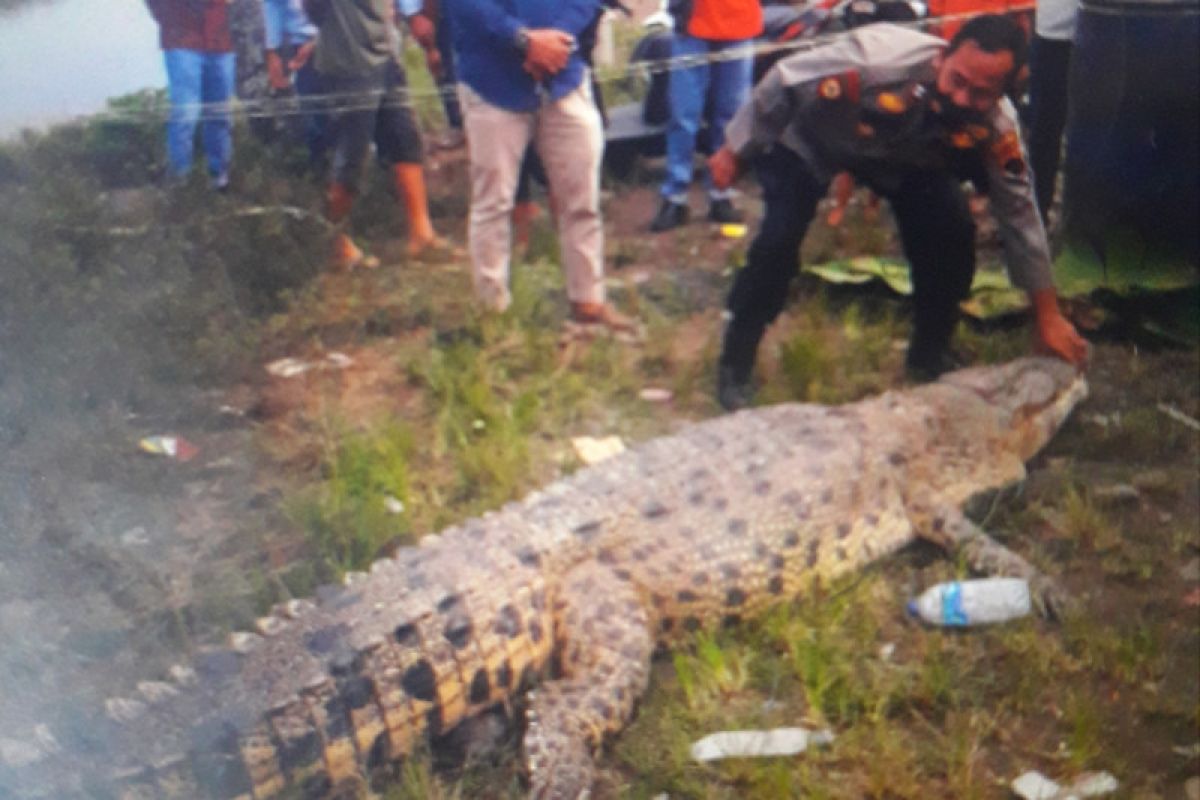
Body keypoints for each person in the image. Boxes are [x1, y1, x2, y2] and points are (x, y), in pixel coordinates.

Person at [708, 14, 1089, 410]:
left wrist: (1047, 315)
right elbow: (783, 79)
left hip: (907, 162)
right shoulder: (874, 62)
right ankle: (736, 362)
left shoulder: (997, 127)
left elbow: (1021, 216)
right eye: (957, 81)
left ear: (1004, 93)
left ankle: (929, 353)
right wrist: (736, 148)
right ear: (942, 58)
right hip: (815, 141)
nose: (962, 100)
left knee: (953, 232)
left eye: (980, 94)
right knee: (778, 240)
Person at [445, 0, 635, 331]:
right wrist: (523, 41)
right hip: (492, 81)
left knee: (582, 198)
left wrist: (556, 40)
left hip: (564, 76)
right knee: (494, 203)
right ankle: (493, 316)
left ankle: (588, 302)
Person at [303, 0, 445, 269]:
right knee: (353, 153)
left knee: (405, 138)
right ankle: (335, 241)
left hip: (385, 53)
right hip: (349, 62)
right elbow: (313, 9)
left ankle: (421, 234)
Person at [648, 0, 763, 232]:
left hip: (740, 22)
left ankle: (721, 192)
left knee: (731, 115)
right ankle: (675, 197)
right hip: (692, 24)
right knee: (683, 113)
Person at [145, 0, 236, 189]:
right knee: (185, 114)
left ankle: (219, 179)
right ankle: (180, 181)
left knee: (220, 114)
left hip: (221, 40)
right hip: (182, 40)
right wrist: (168, 20)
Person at [1026, 0, 1078, 222]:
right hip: (1054, 34)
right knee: (1044, 130)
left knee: (1100, 129)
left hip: (1111, 25)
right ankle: (1035, 216)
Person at [262, 0, 326, 166]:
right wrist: (272, 51)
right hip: (298, 42)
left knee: (350, 104)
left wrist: (319, 41)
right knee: (309, 106)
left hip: (339, 41)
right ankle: (317, 165)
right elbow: (273, 5)